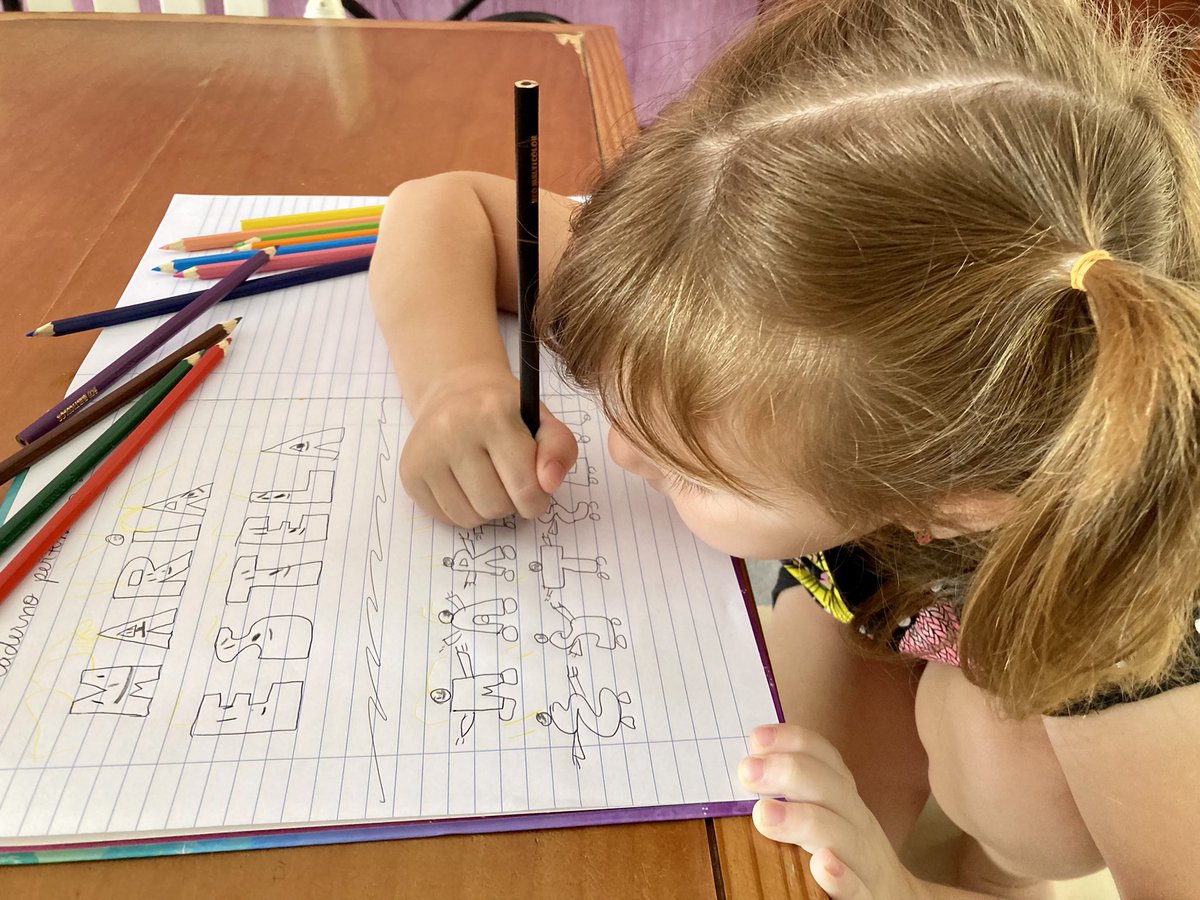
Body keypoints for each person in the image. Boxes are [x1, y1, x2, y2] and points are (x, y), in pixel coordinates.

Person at [368, 0, 1200, 894]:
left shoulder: (1117, 616)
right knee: (775, 822)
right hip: (885, 581)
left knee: (994, 771)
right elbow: (442, 207)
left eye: (688, 464)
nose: (623, 451)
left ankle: (993, 867)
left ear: (942, 499)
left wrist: (906, 891)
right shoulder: (742, 283)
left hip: (1035, 647)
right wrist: (458, 382)